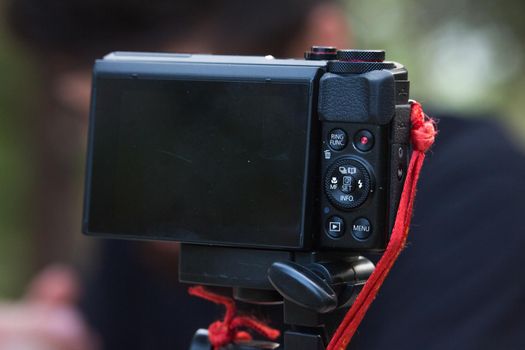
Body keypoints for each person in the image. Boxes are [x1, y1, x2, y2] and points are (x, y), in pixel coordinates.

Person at [2, 0, 525, 349]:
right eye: (106, 122)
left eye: (182, 112)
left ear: (324, 47)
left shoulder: (473, 193)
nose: (151, 163)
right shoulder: (153, 229)